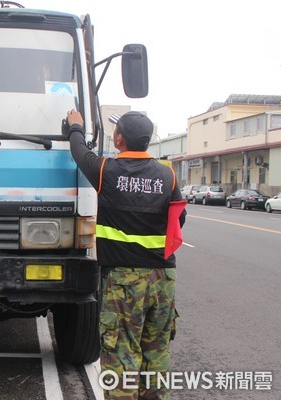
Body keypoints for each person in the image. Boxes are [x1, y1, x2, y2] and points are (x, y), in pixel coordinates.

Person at [64, 110, 186, 400]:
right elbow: (179, 221)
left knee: (121, 352)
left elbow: (79, 153)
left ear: (119, 139)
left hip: (123, 279)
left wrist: (75, 127)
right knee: (156, 349)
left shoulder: (108, 170)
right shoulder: (167, 174)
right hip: (162, 277)